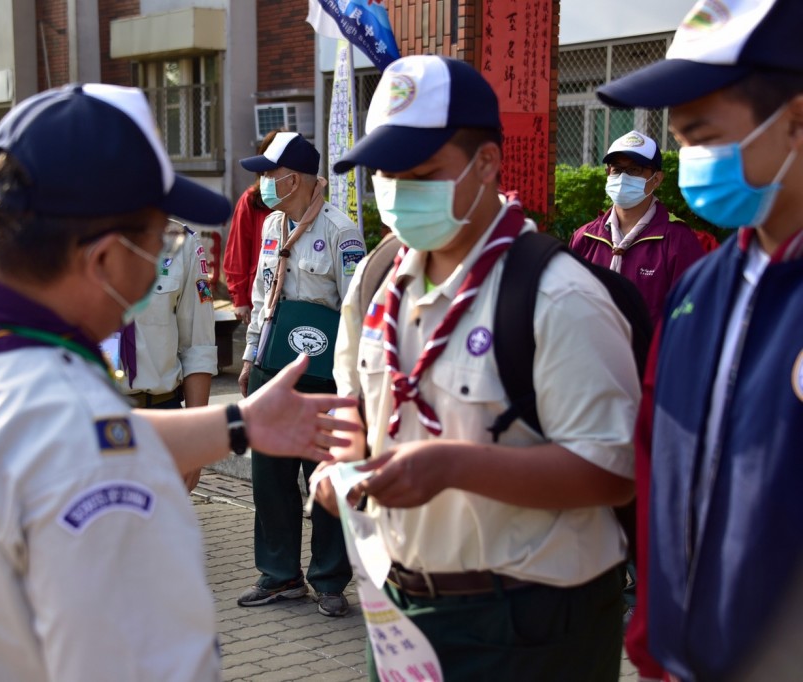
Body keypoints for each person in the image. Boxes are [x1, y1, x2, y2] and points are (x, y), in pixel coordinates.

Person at [0, 83, 358, 681]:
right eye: (159, 241)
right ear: (103, 257)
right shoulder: (69, 432)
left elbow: (85, 436)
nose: (162, 261)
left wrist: (239, 423)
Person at [316, 55, 640, 680]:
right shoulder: (378, 280)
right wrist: (338, 471)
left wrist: (456, 467)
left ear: (488, 162)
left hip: (528, 623)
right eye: (386, 174)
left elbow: (611, 472)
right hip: (397, 610)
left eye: (422, 174)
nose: (398, 192)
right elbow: (354, 415)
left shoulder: (557, 296)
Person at [596, 0, 803, 679]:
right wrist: (656, 633)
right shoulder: (703, 287)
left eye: (705, 137)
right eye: (680, 141)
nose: (690, 161)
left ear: (796, 120)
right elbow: (661, 458)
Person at [235, 131, 365, 618]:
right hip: (273, 363)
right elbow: (260, 291)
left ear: (298, 177)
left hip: (323, 370)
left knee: (325, 472)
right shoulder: (271, 225)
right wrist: (249, 357)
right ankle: (279, 574)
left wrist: (350, 384)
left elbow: (356, 308)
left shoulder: (341, 231)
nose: (265, 182)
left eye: (271, 173)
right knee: (269, 472)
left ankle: (330, 579)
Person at [107, 220, 216, 491]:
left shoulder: (182, 244)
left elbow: (198, 347)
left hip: (160, 415)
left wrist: (195, 442)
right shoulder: (71, 234)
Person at [569, 130, 705, 325]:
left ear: (656, 179)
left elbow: (690, 315)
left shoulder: (677, 240)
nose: (623, 177)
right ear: (608, 173)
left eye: (634, 170)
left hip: (648, 354)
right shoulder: (585, 237)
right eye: (617, 169)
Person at [223, 131, 277, 324]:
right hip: (259, 300)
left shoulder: (308, 205)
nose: (268, 175)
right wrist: (239, 298)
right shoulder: (252, 199)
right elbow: (237, 251)